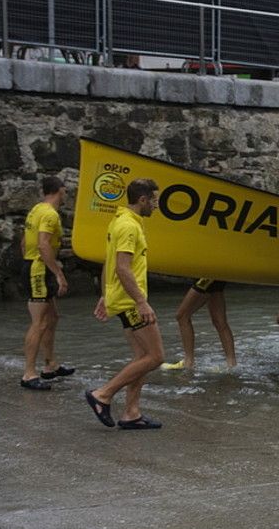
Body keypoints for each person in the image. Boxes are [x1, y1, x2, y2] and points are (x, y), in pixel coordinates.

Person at [84, 178, 166, 430]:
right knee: (155, 356)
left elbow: (110, 261)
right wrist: (141, 302)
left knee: (141, 356)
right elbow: (122, 267)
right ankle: (103, 395)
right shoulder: (129, 226)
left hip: (121, 297)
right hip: (131, 302)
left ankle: (131, 413)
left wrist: (106, 293)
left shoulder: (120, 221)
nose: (156, 205)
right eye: (153, 200)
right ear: (142, 200)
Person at [20, 176, 73, 390]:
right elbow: (43, 245)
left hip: (34, 267)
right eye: (65, 190)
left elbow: (24, 242)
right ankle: (29, 374)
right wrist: (58, 274)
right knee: (39, 322)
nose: (66, 194)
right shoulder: (50, 214)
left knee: (52, 318)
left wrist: (28, 261)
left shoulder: (36, 209)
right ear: (59, 190)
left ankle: (50, 365)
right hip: (39, 270)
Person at [162, 279, 236, 371]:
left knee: (182, 316)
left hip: (207, 277)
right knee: (219, 321)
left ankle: (188, 362)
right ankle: (231, 365)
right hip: (215, 276)